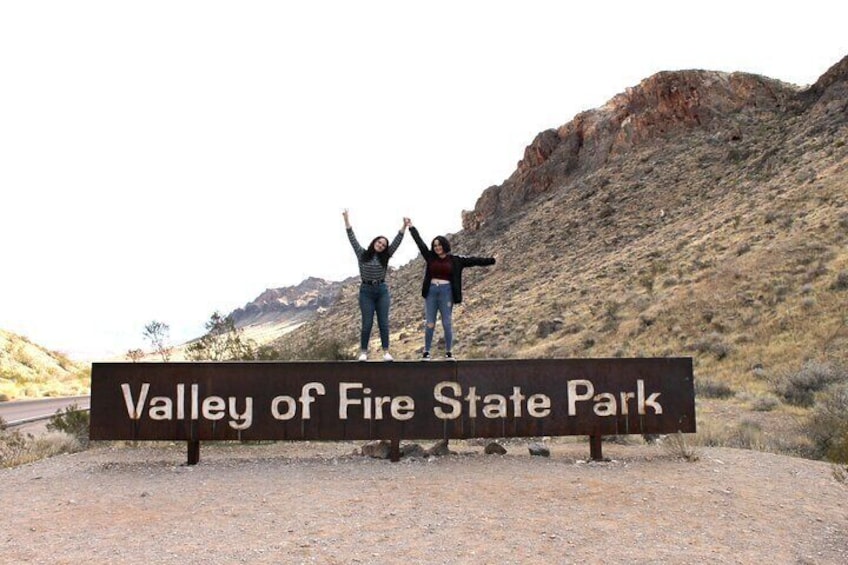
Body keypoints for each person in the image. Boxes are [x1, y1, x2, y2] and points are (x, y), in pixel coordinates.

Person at [407, 218, 495, 360]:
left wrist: (492, 260)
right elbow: (420, 243)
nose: (437, 247)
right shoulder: (430, 257)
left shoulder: (455, 260)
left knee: (447, 322)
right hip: (431, 292)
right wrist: (411, 228)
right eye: (435, 245)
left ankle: (449, 352)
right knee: (430, 323)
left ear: (444, 245)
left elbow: (474, 261)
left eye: (439, 245)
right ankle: (426, 352)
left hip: (446, 292)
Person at [344, 209, 407, 361]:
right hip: (366, 291)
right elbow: (352, 238)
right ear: (374, 242)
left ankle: (386, 352)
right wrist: (346, 220)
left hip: (381, 291)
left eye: (384, 245)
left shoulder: (385, 257)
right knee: (367, 323)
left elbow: (396, 242)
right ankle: (364, 352)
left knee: (383, 322)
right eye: (379, 242)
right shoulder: (362, 254)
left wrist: (403, 227)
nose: (381, 245)